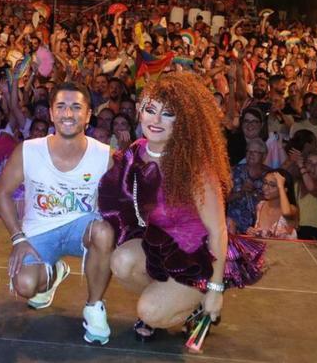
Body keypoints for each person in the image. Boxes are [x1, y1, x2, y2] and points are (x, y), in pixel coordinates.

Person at [98, 71, 265, 344]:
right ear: (140, 110)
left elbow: (218, 230)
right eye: (151, 110)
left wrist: (214, 289)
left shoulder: (196, 166)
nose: (156, 120)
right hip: (160, 248)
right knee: (121, 261)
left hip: (197, 259)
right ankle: (169, 302)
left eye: (168, 114)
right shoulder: (136, 152)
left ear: (184, 120)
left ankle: (191, 308)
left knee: (150, 311)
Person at [0, 81, 114, 345]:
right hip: (40, 231)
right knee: (25, 286)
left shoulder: (104, 154)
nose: (68, 114)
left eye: (75, 107)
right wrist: (17, 238)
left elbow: (120, 202)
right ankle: (54, 272)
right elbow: (1, 193)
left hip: (82, 229)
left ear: (88, 114)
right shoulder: (29, 149)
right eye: (61, 107)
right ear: (51, 113)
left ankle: (94, 306)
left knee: (105, 232)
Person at [247, 169, 298, 239]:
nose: (265, 188)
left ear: (284, 190)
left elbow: (286, 213)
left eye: (272, 185)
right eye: (265, 183)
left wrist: (280, 186)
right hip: (264, 249)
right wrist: (253, 232)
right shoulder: (260, 205)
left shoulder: (292, 209)